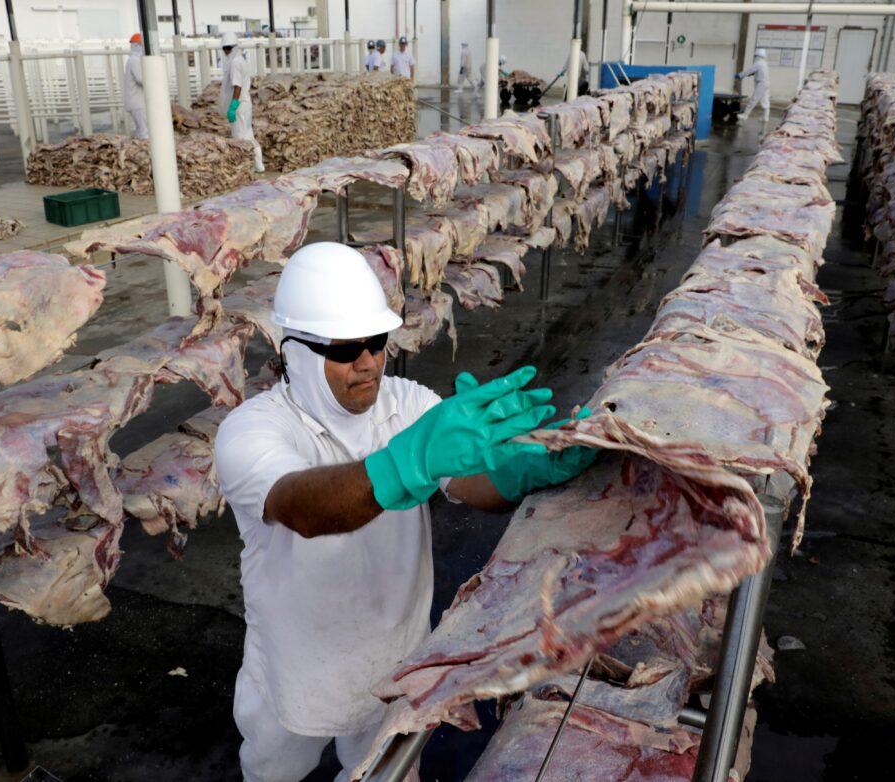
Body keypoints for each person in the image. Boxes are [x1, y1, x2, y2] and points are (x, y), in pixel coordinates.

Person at [215, 242, 598, 782]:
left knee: (386, 774)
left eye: (377, 342)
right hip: (294, 663)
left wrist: (521, 472)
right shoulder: (253, 430)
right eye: (347, 349)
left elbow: (465, 484)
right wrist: (407, 461)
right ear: (297, 351)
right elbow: (304, 507)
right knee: (276, 770)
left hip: (394, 659)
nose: (369, 362)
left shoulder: (406, 403)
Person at [218, 32, 264, 173]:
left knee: (240, 137)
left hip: (239, 105)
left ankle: (246, 168)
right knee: (248, 135)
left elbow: (237, 86)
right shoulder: (240, 60)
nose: (226, 51)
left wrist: (233, 106)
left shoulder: (235, 63)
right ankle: (258, 165)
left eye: (229, 48)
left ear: (235, 48)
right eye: (224, 48)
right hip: (244, 104)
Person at [123, 33, 148, 139]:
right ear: (138, 46)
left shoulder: (133, 60)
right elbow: (141, 79)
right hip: (138, 103)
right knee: (145, 131)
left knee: (141, 130)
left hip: (136, 101)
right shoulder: (134, 60)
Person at [737, 48, 770, 124]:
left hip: (761, 84)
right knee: (765, 100)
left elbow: (749, 70)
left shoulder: (758, 63)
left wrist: (740, 75)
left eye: (755, 56)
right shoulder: (764, 63)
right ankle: (765, 117)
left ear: (758, 56)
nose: (755, 57)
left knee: (753, 99)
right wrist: (752, 74)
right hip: (766, 83)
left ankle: (745, 115)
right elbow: (758, 72)